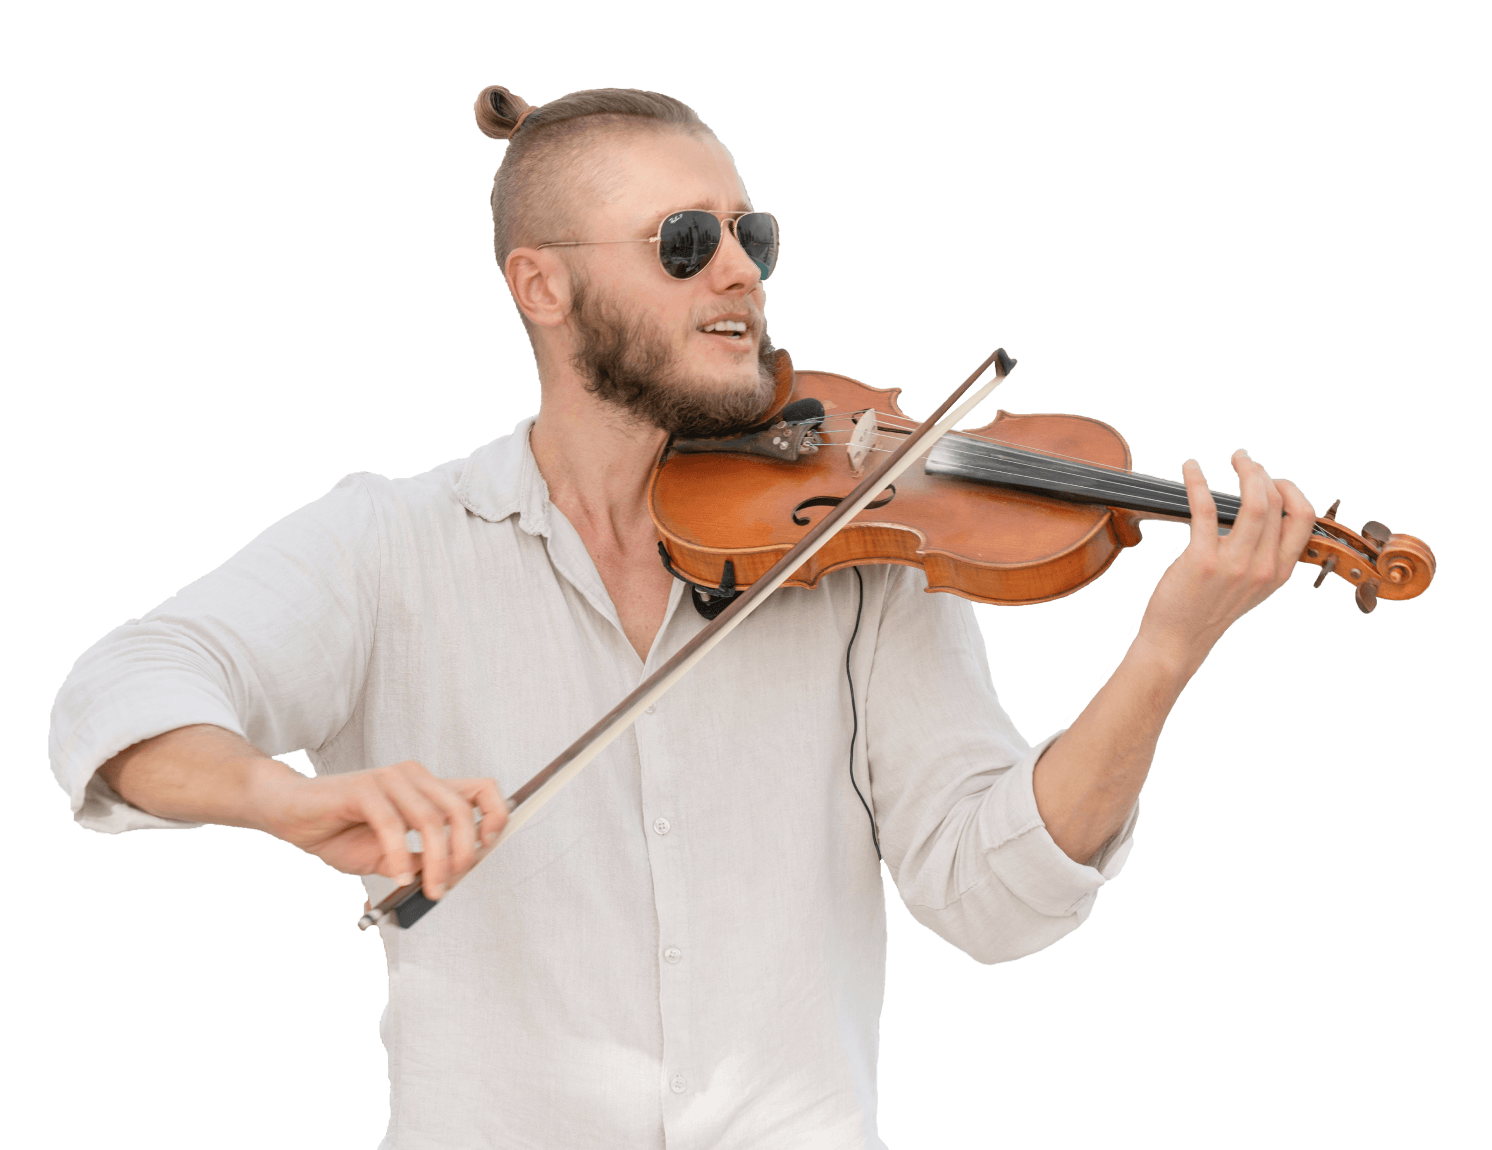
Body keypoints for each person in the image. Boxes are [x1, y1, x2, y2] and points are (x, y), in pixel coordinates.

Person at [48, 85, 1317, 1148]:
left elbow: (993, 900)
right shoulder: (395, 541)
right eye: (681, 243)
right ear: (538, 285)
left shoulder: (858, 538)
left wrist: (1165, 651)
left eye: (747, 239)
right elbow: (123, 691)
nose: (738, 275)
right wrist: (283, 796)